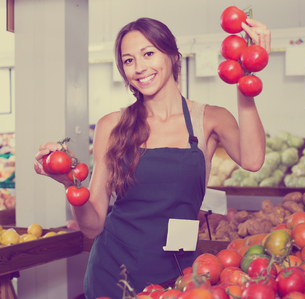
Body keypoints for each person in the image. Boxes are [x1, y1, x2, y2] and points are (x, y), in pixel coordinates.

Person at [34, 16, 270, 299]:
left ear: (172, 55)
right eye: (129, 60)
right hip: (113, 271)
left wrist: (246, 75)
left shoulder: (208, 119)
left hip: (179, 273)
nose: (139, 68)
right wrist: (69, 183)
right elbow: (92, 225)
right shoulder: (112, 125)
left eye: (148, 54)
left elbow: (253, 160)